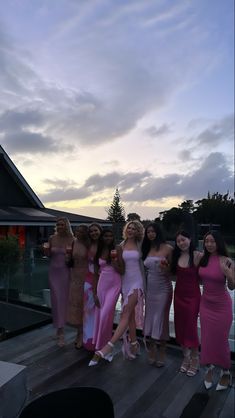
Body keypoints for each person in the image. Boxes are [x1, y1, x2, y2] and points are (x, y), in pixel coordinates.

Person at [92, 220, 145, 363]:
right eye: (129, 228)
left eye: (134, 228)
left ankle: (107, 348)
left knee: (125, 313)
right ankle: (134, 344)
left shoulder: (141, 245)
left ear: (138, 231)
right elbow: (117, 267)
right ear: (125, 230)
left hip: (137, 282)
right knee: (131, 316)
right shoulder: (119, 246)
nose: (131, 230)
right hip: (124, 283)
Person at [198, 230, 235, 391]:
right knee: (206, 338)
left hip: (222, 306)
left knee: (221, 340)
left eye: (212, 241)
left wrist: (229, 275)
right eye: (207, 241)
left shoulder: (227, 261)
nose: (209, 244)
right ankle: (210, 368)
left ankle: (226, 371)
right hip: (205, 304)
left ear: (218, 242)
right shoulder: (202, 259)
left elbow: (232, 286)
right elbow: (200, 278)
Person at [88, 229, 123, 366]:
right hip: (102, 286)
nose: (108, 238)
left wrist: (115, 264)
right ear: (102, 238)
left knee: (106, 315)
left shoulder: (118, 249)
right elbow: (96, 274)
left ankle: (102, 350)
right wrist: (95, 293)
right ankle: (105, 350)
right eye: (106, 236)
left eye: (110, 235)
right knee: (101, 317)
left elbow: (122, 270)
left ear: (113, 237)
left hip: (115, 285)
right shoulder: (99, 251)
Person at [141, 222, 173, 367]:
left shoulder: (168, 248)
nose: (151, 234)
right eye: (148, 232)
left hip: (164, 288)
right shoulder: (147, 248)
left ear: (158, 232)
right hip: (150, 288)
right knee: (150, 317)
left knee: (161, 318)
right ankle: (152, 347)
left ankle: (162, 350)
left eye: (153, 231)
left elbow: (172, 273)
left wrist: (165, 268)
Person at [171, 230, 202, 376]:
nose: (181, 243)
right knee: (180, 325)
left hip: (193, 296)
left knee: (190, 326)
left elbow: (205, 276)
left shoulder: (197, 256)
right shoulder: (176, 256)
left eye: (183, 240)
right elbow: (171, 274)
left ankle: (195, 358)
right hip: (178, 295)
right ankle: (186, 357)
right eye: (178, 241)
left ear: (190, 239)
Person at [43, 217, 74, 347]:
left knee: (64, 301)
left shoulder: (73, 240)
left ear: (67, 225)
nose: (60, 226)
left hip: (66, 273)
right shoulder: (52, 238)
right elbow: (49, 254)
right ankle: (60, 331)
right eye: (58, 224)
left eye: (62, 224)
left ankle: (60, 328)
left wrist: (70, 258)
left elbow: (75, 258)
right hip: (54, 272)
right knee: (56, 301)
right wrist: (45, 250)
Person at [67, 225, 89, 349]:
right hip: (75, 276)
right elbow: (70, 260)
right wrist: (67, 258)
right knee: (76, 306)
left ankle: (83, 334)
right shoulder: (74, 242)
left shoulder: (89, 244)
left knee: (84, 306)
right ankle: (79, 332)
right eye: (77, 231)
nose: (78, 233)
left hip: (86, 276)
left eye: (81, 231)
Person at [83, 223, 103, 351]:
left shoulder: (105, 247)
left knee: (100, 312)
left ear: (100, 231)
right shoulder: (88, 246)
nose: (93, 233)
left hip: (103, 281)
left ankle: (99, 340)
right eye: (91, 231)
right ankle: (88, 340)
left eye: (95, 230)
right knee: (88, 311)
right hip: (88, 281)